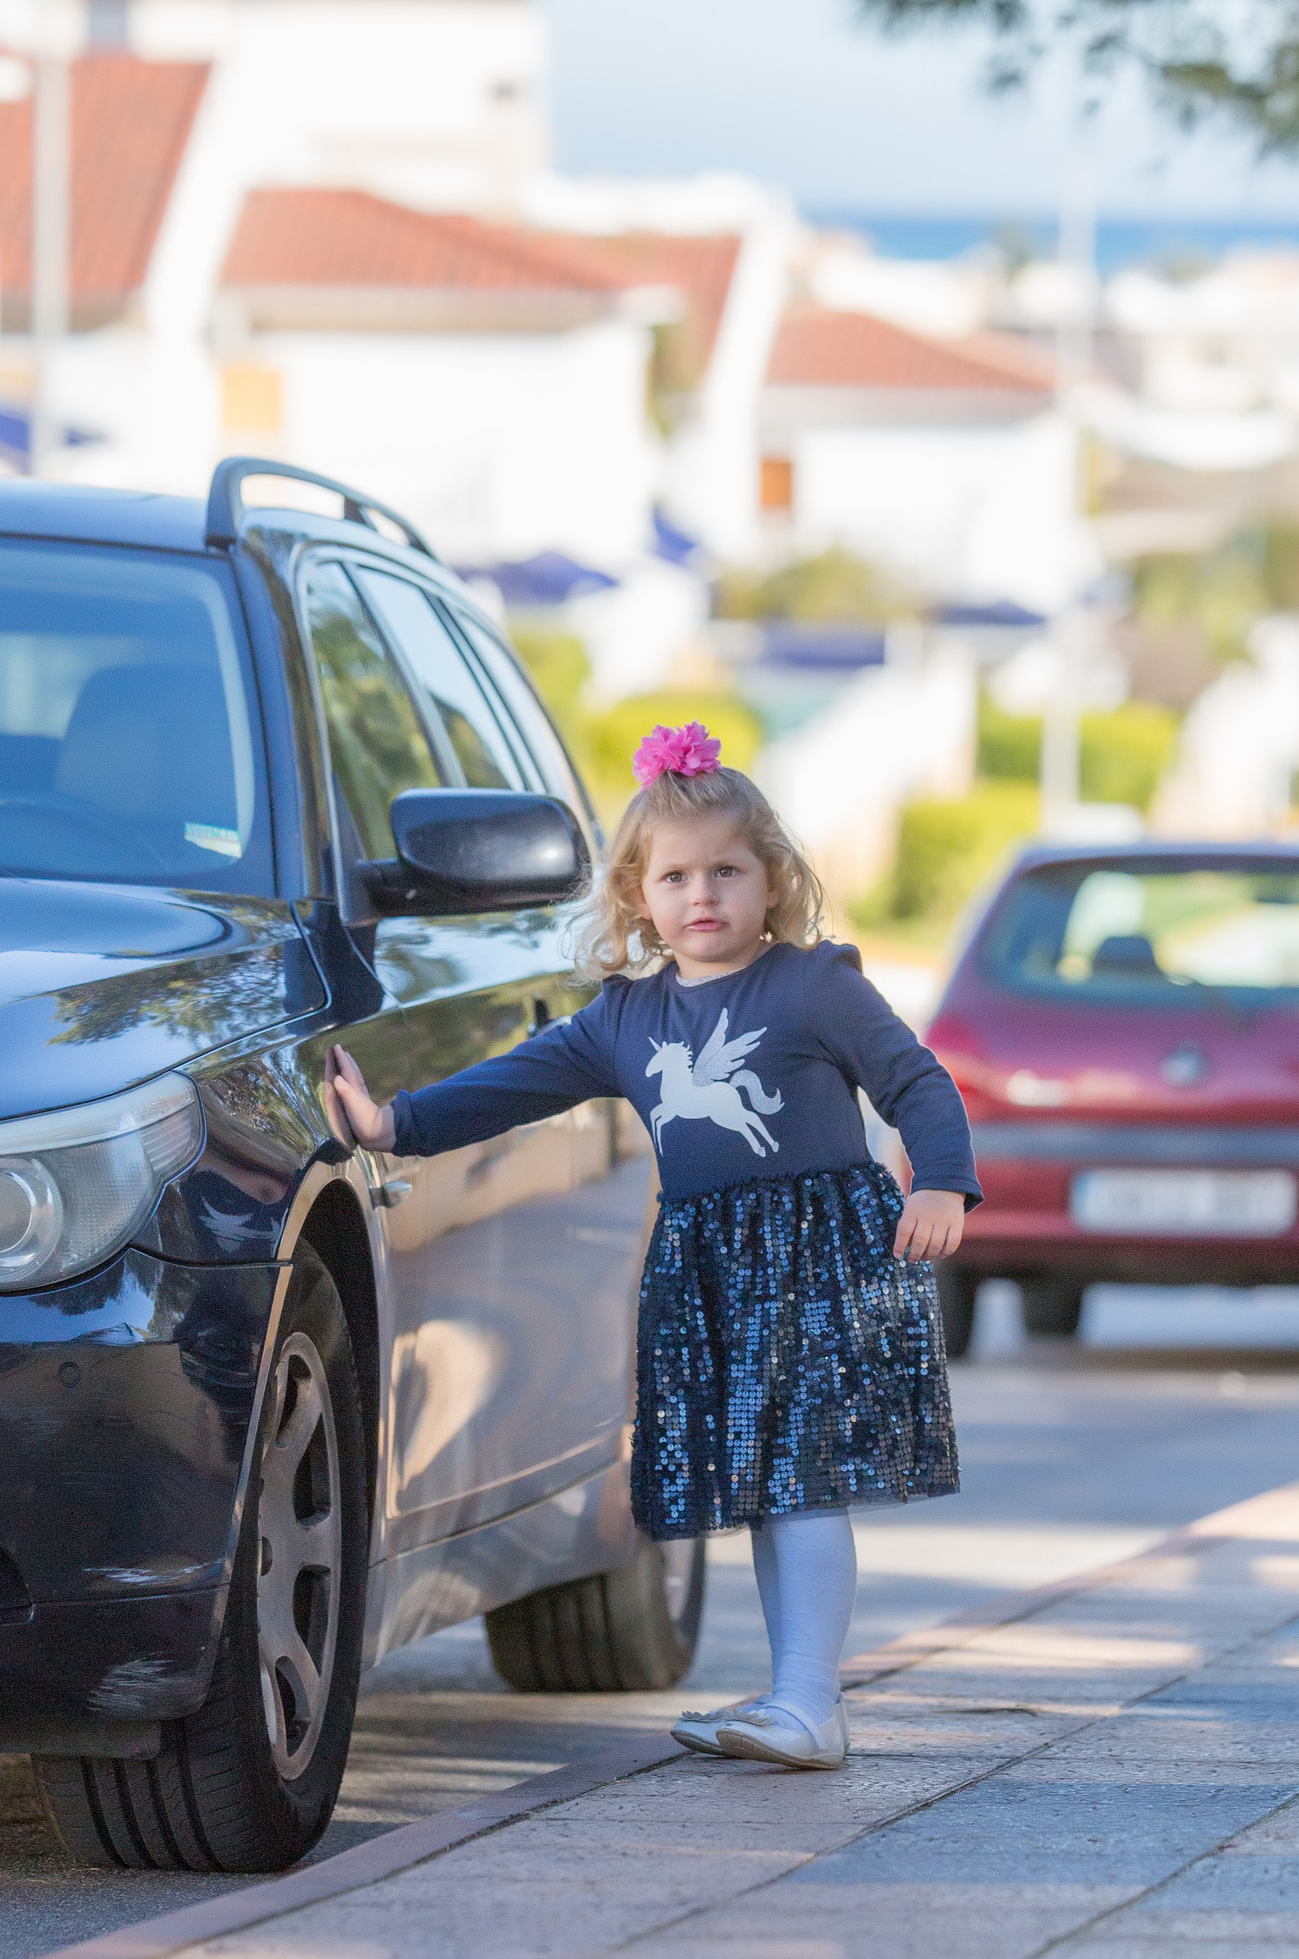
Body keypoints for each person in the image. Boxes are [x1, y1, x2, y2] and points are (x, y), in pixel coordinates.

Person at [329, 719, 980, 1770]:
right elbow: (515, 1083)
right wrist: (392, 1123)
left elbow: (917, 1081)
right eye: (675, 877)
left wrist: (942, 1178)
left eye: (727, 870)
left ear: (773, 880)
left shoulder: (815, 985)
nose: (702, 894)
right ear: (638, 895)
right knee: (769, 1488)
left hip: (818, 1258)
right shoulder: (626, 1018)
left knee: (805, 1480)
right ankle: (800, 1696)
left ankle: (808, 1700)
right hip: (711, 1269)